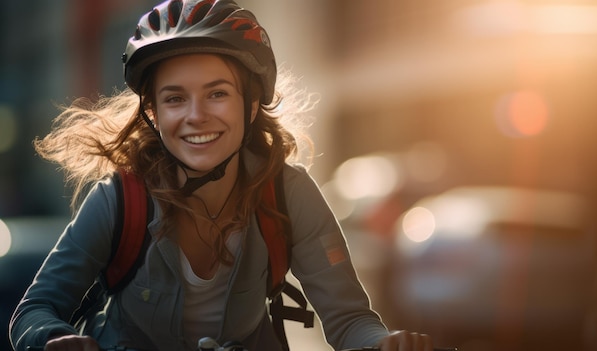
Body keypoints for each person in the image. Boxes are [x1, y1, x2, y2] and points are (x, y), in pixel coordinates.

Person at [9, 1, 433, 350]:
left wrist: (383, 343)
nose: (196, 117)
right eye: (175, 98)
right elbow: (35, 310)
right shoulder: (120, 199)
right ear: (153, 114)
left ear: (250, 105)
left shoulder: (288, 192)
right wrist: (55, 339)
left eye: (217, 93)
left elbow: (349, 320)